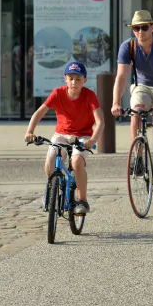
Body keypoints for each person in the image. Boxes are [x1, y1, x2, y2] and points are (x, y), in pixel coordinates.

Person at [111, 10, 153, 198]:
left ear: (151, 27)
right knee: (136, 113)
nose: (140, 31)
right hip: (143, 87)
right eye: (136, 28)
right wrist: (116, 103)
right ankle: (138, 157)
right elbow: (122, 76)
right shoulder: (128, 46)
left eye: (144, 27)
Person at [24, 62, 104, 215]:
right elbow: (39, 113)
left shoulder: (89, 95)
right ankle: (52, 189)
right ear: (65, 79)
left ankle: (82, 200)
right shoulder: (58, 93)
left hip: (82, 135)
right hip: (61, 134)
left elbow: (100, 121)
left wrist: (93, 140)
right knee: (51, 160)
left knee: (76, 161)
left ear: (85, 80)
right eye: (71, 78)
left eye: (78, 79)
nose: (74, 82)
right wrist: (30, 132)